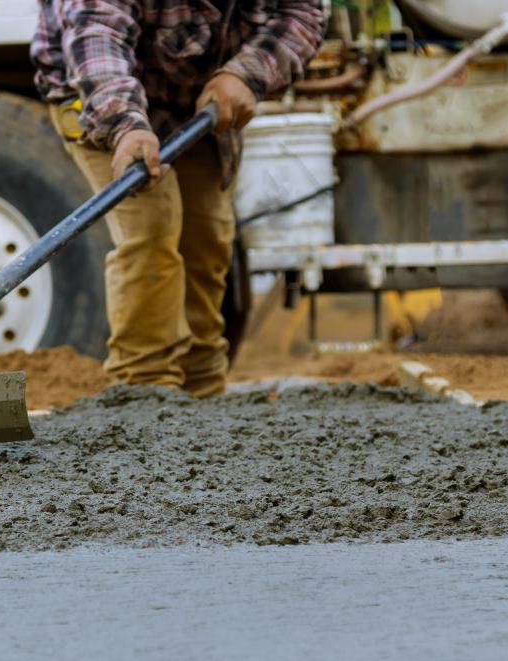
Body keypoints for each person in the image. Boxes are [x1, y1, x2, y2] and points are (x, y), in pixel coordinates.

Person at [32, 0, 327, 398]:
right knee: (152, 229)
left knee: (205, 240)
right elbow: (98, 35)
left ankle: (202, 396)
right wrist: (125, 126)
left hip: (199, 99)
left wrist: (247, 73)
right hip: (100, 95)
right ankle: (145, 393)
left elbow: (303, 14)